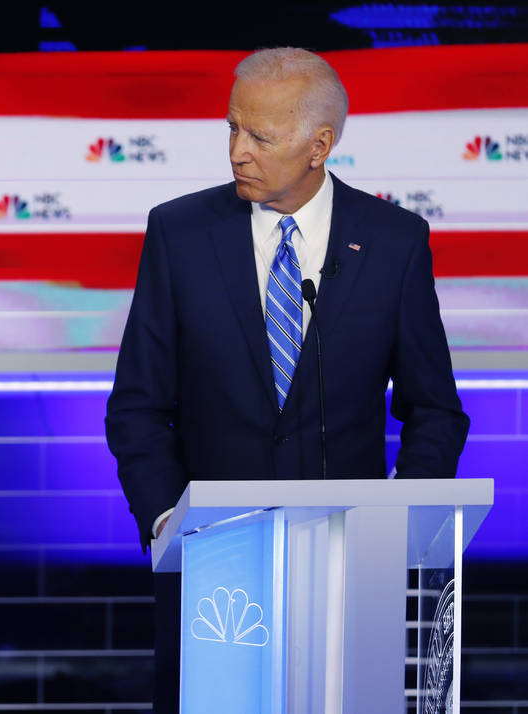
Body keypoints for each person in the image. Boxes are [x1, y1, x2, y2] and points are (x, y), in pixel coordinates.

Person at [104, 48, 469, 713]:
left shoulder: (394, 241)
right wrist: (167, 524)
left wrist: (396, 528)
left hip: (348, 568)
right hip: (211, 569)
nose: (237, 151)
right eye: (232, 129)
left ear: (319, 145)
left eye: (260, 136)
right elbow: (136, 406)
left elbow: (436, 411)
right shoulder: (179, 232)